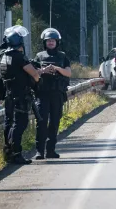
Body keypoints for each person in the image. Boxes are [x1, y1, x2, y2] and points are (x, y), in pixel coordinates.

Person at [0, 25, 40, 164]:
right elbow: (34, 74)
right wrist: (37, 80)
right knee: (20, 124)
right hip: (20, 95)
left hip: (9, 95)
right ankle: (16, 153)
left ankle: (8, 152)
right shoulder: (18, 57)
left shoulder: (3, 56)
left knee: (9, 123)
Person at [33, 28, 71, 160]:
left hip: (57, 94)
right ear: (45, 42)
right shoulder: (39, 56)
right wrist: (44, 70)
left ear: (57, 42)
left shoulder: (62, 56)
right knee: (41, 122)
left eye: (53, 40)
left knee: (55, 122)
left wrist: (57, 69)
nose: (50, 43)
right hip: (42, 94)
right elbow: (34, 73)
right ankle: (39, 151)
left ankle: (51, 150)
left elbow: (68, 73)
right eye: (48, 40)